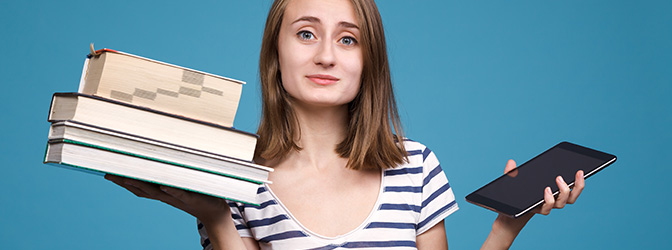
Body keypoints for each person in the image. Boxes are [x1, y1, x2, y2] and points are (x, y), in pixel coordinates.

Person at [106, 0, 586, 249]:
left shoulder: (415, 167)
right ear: (276, 52)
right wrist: (213, 217)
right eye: (307, 33)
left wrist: (507, 225)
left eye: (349, 39)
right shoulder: (232, 178)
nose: (326, 55)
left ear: (368, 60)